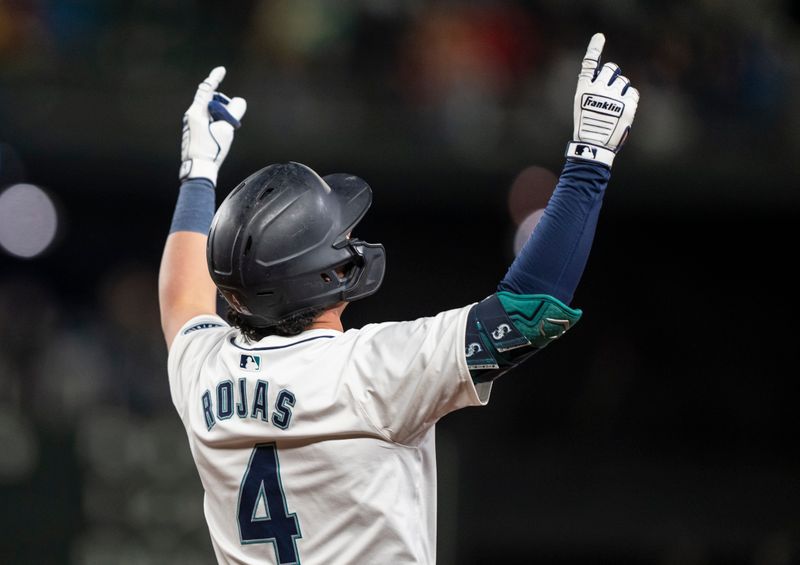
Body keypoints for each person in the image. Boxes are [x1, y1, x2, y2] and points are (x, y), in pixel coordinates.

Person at [159, 33, 638, 565]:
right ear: (320, 277)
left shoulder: (207, 373)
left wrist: (197, 173)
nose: (349, 247)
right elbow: (530, 311)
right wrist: (589, 163)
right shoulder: (371, 373)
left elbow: (183, 300)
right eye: (337, 244)